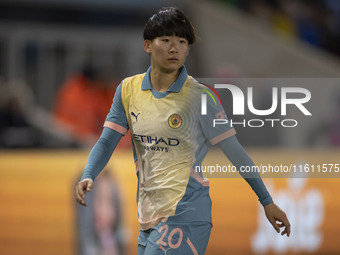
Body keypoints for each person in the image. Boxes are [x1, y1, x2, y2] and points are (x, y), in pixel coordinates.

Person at [76, 7, 290, 255]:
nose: (174, 48)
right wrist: (89, 173)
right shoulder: (127, 90)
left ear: (189, 48)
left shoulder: (201, 97)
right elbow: (106, 142)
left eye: (182, 41)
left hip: (187, 213)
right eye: (166, 40)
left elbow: (235, 152)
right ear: (148, 45)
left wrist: (267, 201)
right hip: (149, 217)